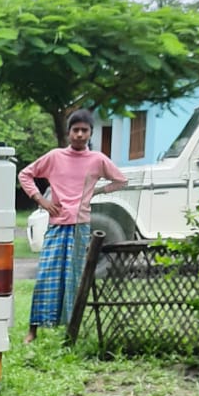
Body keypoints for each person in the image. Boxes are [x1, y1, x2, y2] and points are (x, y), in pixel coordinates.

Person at [19, 110, 127, 343]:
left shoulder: (97, 160)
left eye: (84, 130)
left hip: (81, 227)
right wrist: (41, 200)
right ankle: (33, 330)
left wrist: (96, 191)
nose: (79, 134)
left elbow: (121, 181)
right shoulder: (55, 156)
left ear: (90, 133)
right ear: (68, 133)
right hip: (57, 226)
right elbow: (25, 174)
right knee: (45, 277)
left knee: (74, 279)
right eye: (75, 130)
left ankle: (70, 332)